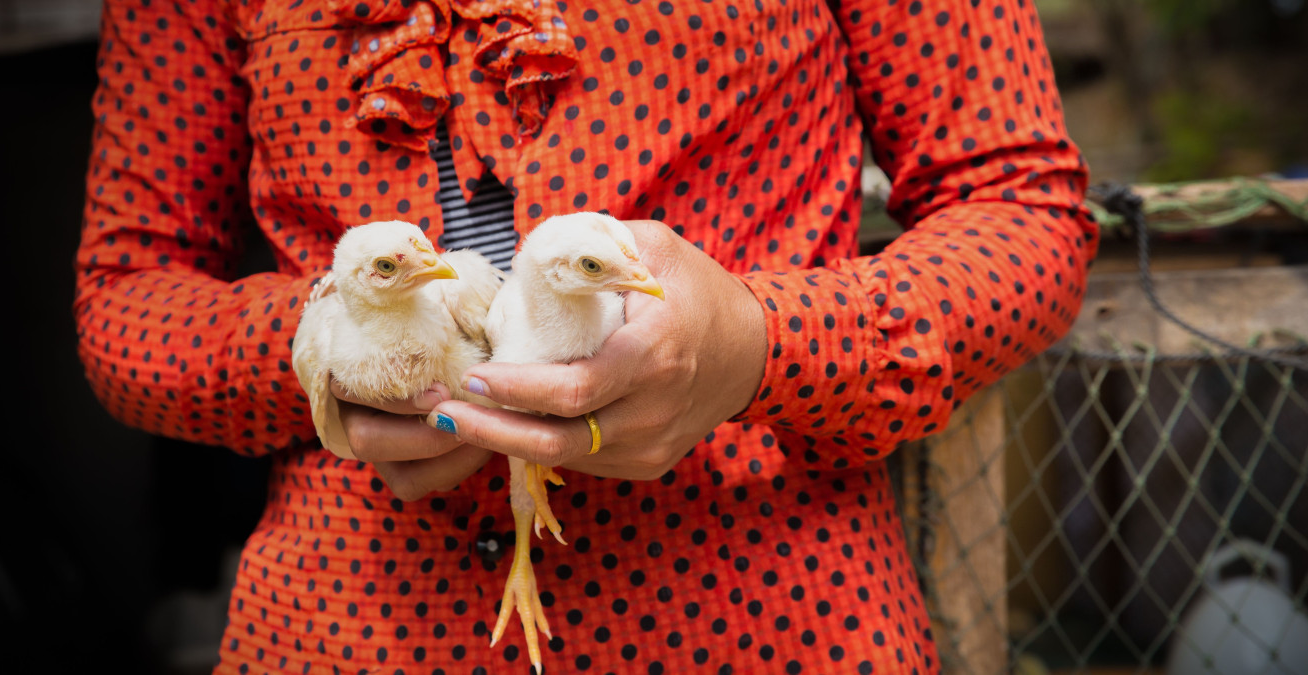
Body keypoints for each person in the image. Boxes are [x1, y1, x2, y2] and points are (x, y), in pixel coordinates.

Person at [74, 0, 1096, 672]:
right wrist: (328, 342)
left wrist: (761, 343)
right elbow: (125, 293)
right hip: (352, 621)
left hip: (764, 613)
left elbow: (1017, 206)